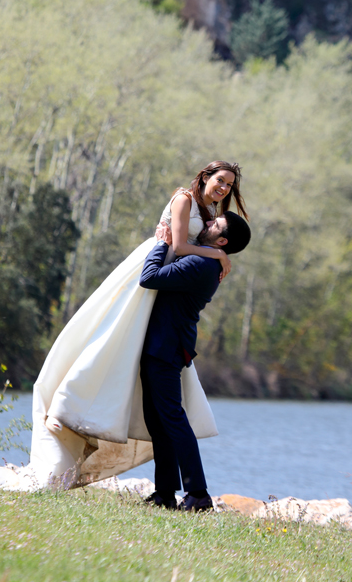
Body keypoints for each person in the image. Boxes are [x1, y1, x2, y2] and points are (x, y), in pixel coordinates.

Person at [0, 161, 249, 493]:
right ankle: (165, 489)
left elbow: (180, 252)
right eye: (221, 181)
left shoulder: (205, 238)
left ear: (223, 237)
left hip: (165, 301)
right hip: (159, 269)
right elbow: (178, 246)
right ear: (205, 177)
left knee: (165, 414)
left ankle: (191, 494)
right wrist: (215, 255)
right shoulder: (186, 202)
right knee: (115, 343)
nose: (224, 190)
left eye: (230, 185)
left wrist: (213, 255)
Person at [140, 208, 252, 511]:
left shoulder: (201, 263)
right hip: (161, 345)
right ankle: (164, 494)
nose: (208, 223)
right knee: (159, 421)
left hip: (167, 347)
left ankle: (198, 494)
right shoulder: (205, 259)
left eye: (215, 224)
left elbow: (149, 278)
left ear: (222, 240)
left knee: (172, 419)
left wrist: (161, 243)